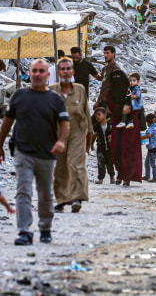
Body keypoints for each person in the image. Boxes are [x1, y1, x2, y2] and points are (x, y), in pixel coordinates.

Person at [0, 59, 70, 246]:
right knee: (23, 191)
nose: (37, 74)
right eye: (34, 71)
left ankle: (45, 227)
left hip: (47, 153)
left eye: (41, 71)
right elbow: (7, 122)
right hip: (23, 152)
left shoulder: (55, 99)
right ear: (29, 73)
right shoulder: (19, 96)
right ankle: (24, 231)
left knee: (45, 193)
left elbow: (64, 124)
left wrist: (61, 141)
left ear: (47, 75)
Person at [48, 58, 92, 214]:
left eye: (68, 69)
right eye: (63, 69)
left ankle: (77, 198)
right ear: (58, 73)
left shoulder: (80, 89)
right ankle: (62, 200)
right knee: (60, 167)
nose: (66, 72)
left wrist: (90, 137)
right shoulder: (51, 90)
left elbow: (86, 112)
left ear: (72, 72)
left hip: (77, 133)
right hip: (58, 133)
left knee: (75, 163)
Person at [107, 70, 143, 186]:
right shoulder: (110, 92)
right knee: (116, 149)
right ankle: (119, 173)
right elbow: (110, 105)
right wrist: (120, 109)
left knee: (129, 150)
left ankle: (126, 177)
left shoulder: (130, 90)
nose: (117, 80)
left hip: (131, 125)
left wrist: (130, 111)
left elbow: (138, 105)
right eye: (114, 77)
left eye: (119, 77)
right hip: (117, 124)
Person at [90, 107, 114, 185]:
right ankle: (101, 178)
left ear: (105, 115)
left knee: (109, 162)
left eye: (99, 114)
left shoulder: (110, 125)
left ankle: (112, 177)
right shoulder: (96, 126)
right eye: (96, 116)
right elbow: (94, 135)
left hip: (110, 147)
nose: (97, 117)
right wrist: (91, 144)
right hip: (100, 147)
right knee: (100, 163)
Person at [95, 46, 121, 110]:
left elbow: (117, 88)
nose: (105, 55)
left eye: (107, 53)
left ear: (113, 54)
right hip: (103, 100)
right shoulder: (105, 68)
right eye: (104, 53)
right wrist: (97, 101)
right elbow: (104, 85)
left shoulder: (115, 68)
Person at [141, 114, 156, 182]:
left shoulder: (151, 128)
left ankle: (155, 177)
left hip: (152, 148)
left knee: (152, 163)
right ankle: (147, 175)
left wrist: (140, 138)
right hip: (155, 147)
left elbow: (148, 135)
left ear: (148, 122)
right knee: (147, 162)